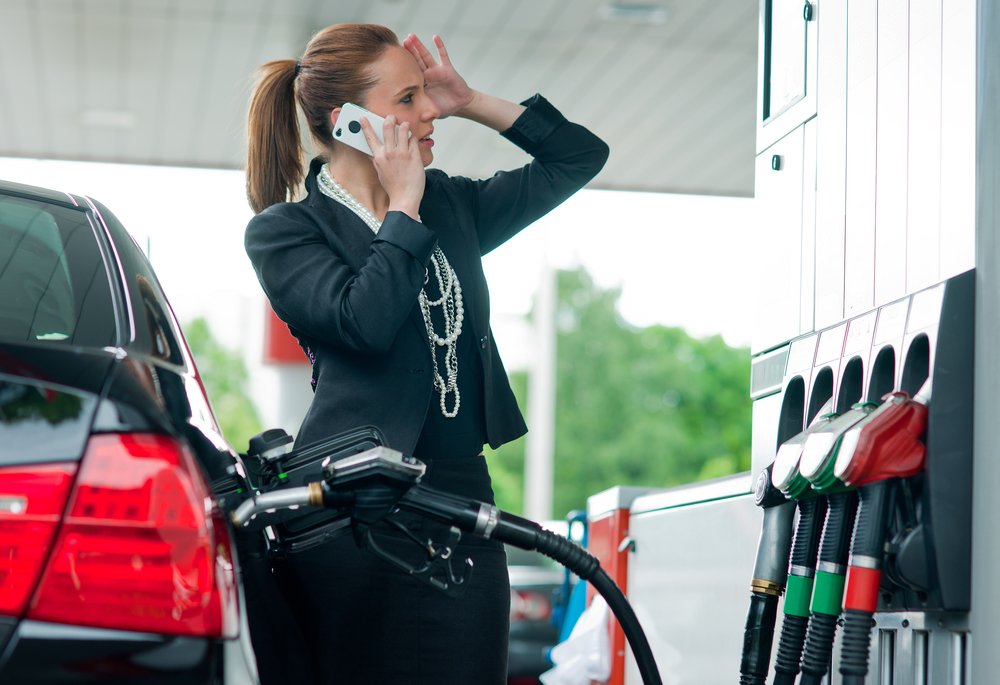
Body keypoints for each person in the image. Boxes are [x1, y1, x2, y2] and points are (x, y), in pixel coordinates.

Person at [243, 23, 608, 685]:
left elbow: (578, 157)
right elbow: (365, 323)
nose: (429, 112)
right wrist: (402, 206)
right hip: (351, 512)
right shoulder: (286, 232)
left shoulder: (454, 205)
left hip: (460, 500)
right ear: (347, 122)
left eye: (427, 97)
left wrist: (471, 100)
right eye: (408, 99)